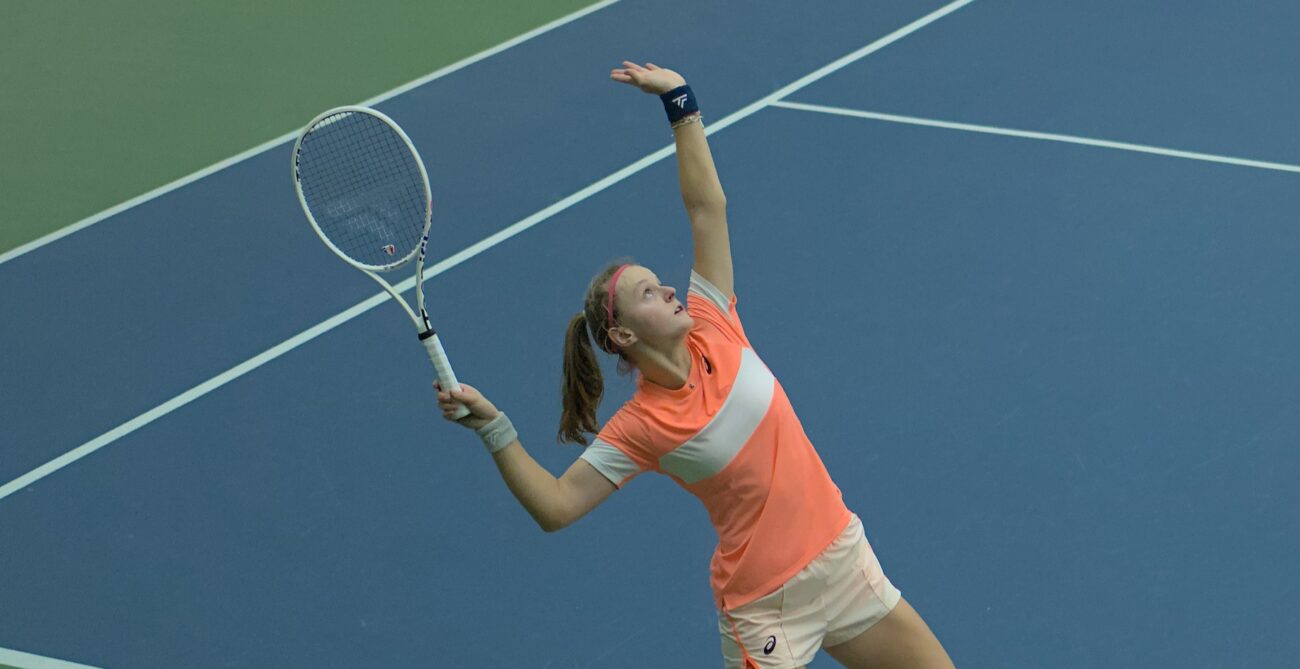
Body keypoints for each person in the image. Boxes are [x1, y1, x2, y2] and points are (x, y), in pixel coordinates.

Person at [436, 61, 955, 669]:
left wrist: (681, 105)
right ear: (623, 333)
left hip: (843, 557)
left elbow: (707, 208)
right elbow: (555, 507)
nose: (669, 291)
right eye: (649, 292)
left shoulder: (716, 321)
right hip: (765, 609)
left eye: (663, 283)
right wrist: (494, 428)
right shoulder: (640, 427)